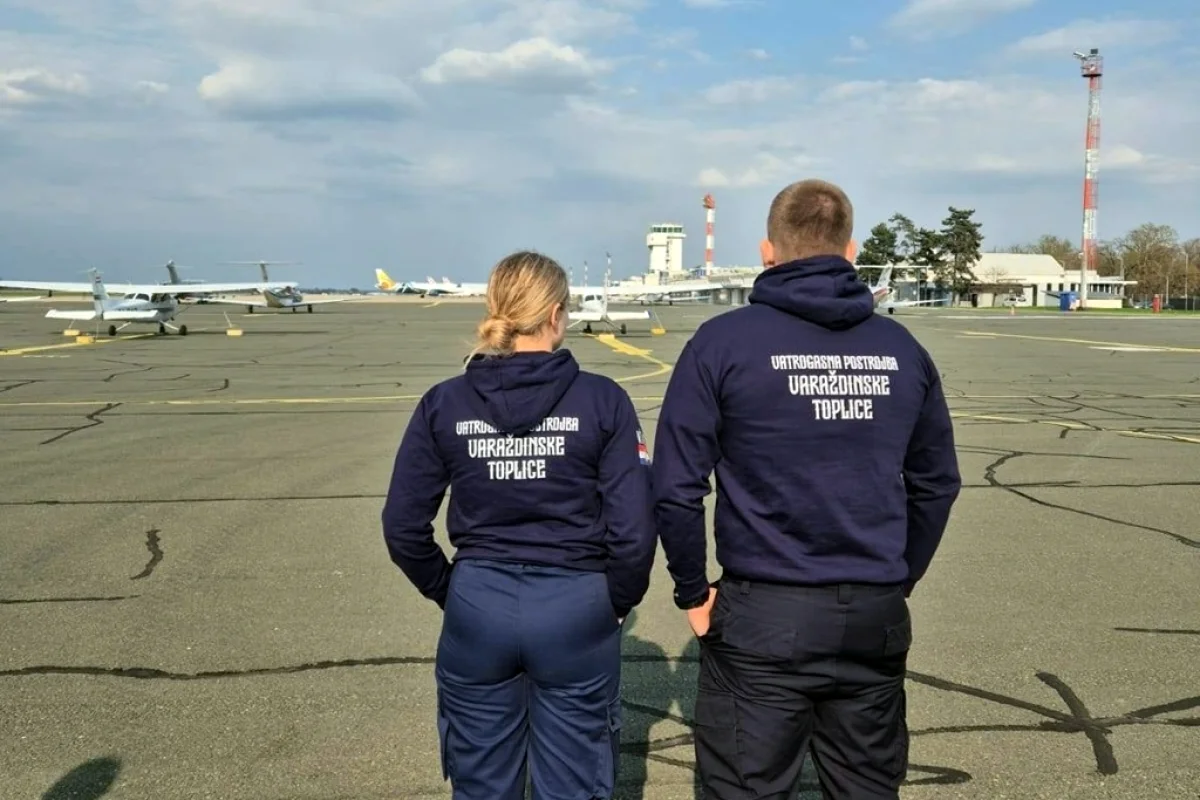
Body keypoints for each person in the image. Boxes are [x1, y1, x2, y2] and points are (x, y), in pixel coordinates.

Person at [652, 179, 961, 799]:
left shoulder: (723, 343)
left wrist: (691, 588)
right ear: (850, 250)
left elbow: (676, 484)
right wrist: (896, 579)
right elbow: (936, 483)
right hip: (872, 611)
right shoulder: (901, 349)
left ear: (768, 251)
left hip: (764, 612)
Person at [381, 250, 657, 800]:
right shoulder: (603, 400)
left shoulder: (444, 402)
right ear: (556, 314)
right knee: (575, 784)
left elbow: (403, 526)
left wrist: (453, 590)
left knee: (481, 785)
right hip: (576, 605)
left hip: (478, 605)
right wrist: (616, 601)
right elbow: (633, 529)